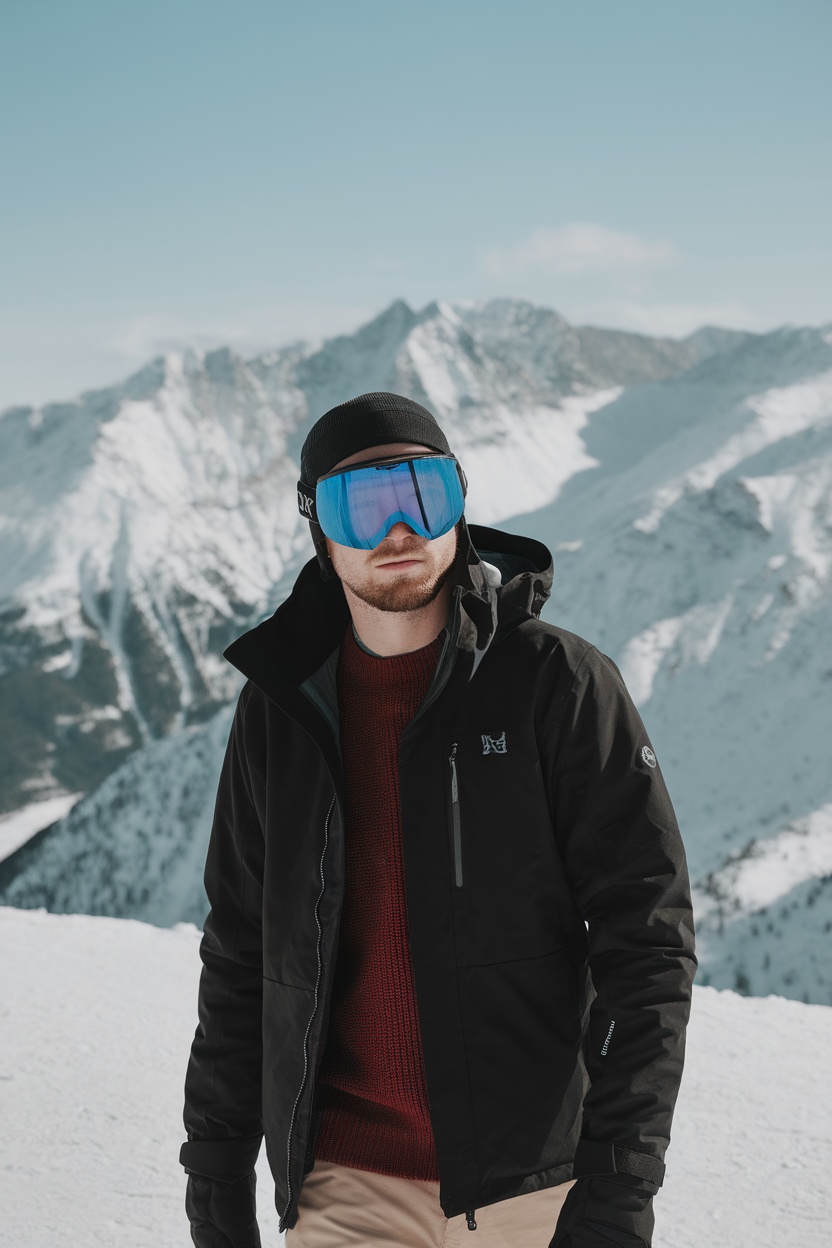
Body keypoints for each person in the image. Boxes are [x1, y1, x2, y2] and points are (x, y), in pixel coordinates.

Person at [180, 391, 696, 1248]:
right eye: (361, 504)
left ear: (460, 501)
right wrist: (216, 1179)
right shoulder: (283, 709)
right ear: (318, 527)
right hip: (346, 1185)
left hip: (538, 1184)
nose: (399, 530)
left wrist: (619, 1186)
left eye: (427, 492)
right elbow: (240, 953)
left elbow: (648, 943)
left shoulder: (556, 684)